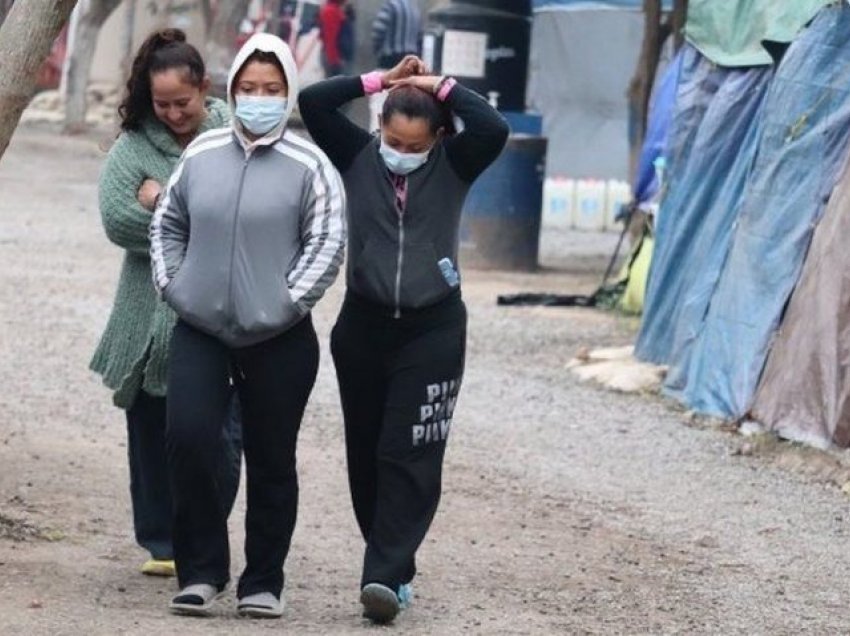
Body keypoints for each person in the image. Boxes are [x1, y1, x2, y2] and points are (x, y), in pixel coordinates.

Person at [298, 56, 508, 624]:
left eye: (416, 145)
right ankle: (394, 559)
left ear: (438, 138)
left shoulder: (457, 162)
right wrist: (382, 80)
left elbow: (494, 127)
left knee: (408, 451)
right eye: (394, 140)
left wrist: (440, 86)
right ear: (379, 130)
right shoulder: (358, 155)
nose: (403, 152)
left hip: (433, 328)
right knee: (366, 453)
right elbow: (314, 102)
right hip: (362, 325)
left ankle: (382, 575)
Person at [150, 32, 345, 618]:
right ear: (231, 90)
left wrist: (283, 303)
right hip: (201, 329)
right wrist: (176, 286)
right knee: (188, 439)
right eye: (248, 88)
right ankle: (202, 571)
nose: (259, 98)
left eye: (272, 89)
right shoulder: (202, 153)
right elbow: (168, 224)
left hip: (278, 337)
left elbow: (328, 241)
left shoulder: (310, 164)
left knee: (270, 456)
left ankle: (264, 579)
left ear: (287, 94)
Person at [92, 28, 242, 580]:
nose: (175, 114)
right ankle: (161, 539)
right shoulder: (132, 145)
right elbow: (117, 219)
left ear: (204, 88)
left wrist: (162, 201)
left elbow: (243, 211)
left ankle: (203, 530)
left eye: (184, 102)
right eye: (163, 105)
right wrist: (190, 219)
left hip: (222, 310)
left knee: (216, 433)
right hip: (147, 316)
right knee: (150, 429)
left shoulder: (233, 131)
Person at [369, 0, 421, 130]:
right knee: (400, 107)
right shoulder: (414, 9)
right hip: (409, 65)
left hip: (388, 63)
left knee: (380, 106)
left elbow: (378, 32)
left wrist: (378, 51)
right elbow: (419, 37)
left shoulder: (390, 6)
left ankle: (377, 140)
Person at [318, 0, 354, 78]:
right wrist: (335, 60)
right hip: (334, 58)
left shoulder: (336, 9)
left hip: (336, 56)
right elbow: (330, 38)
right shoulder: (331, 11)